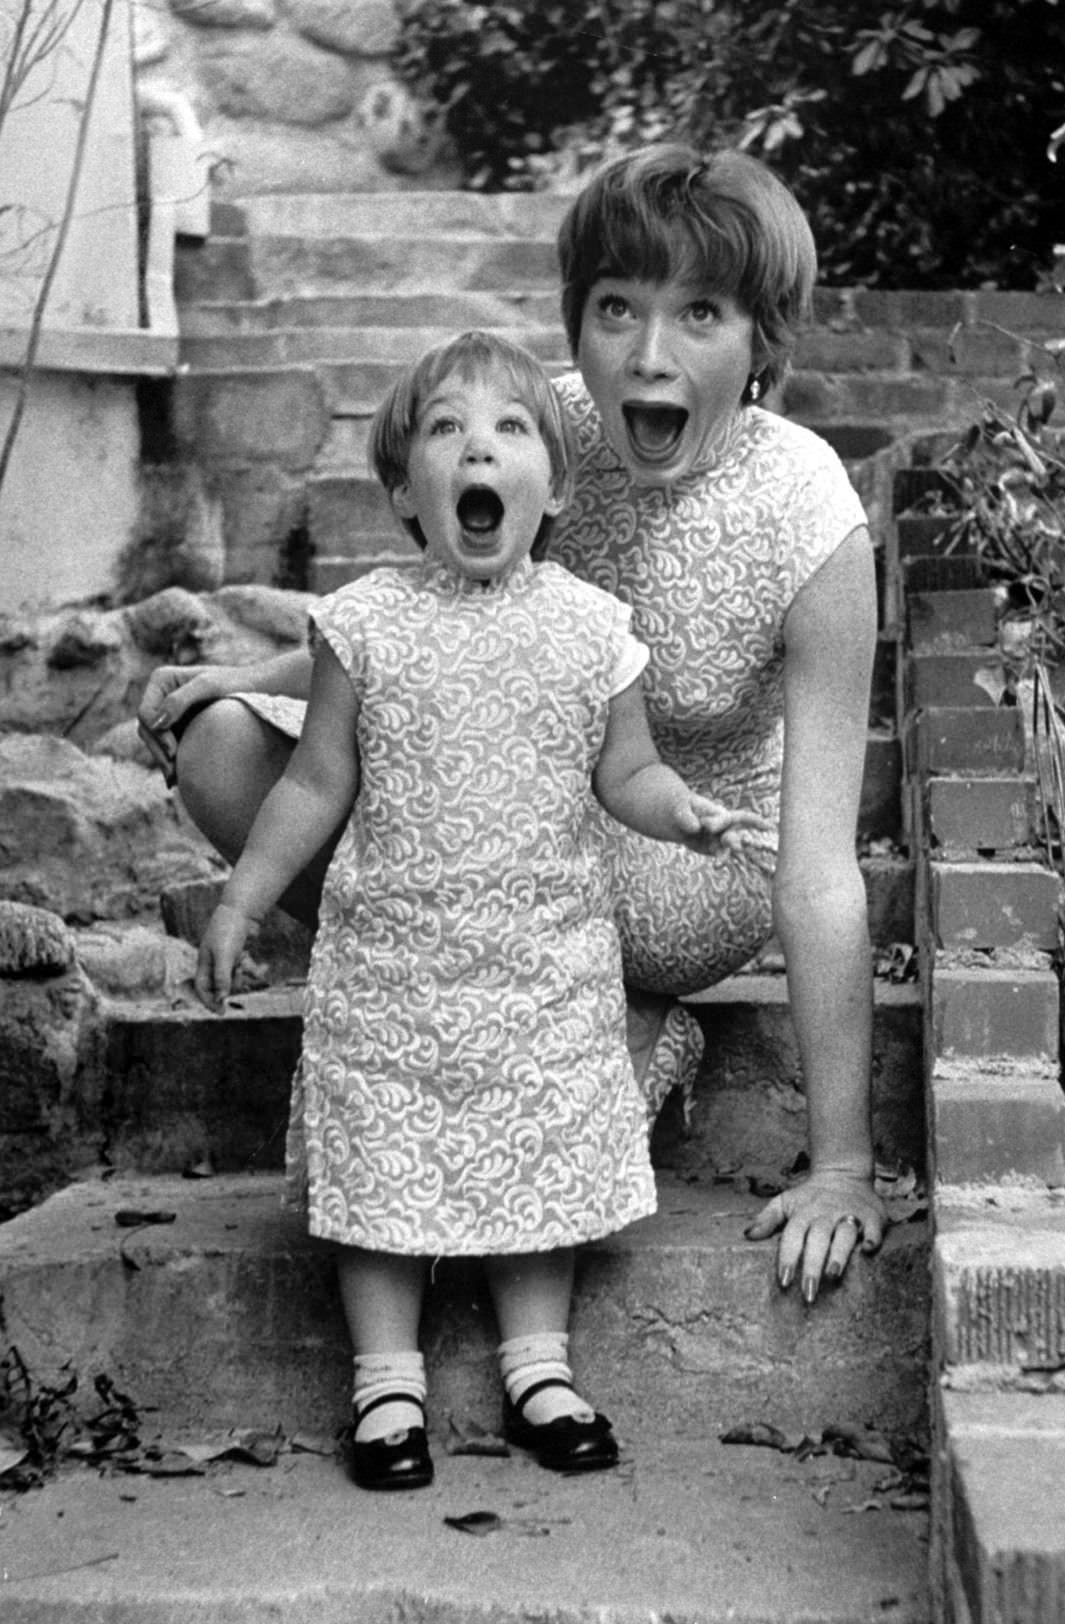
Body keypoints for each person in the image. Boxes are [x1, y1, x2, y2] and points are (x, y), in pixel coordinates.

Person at [138, 142, 888, 1313]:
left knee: (494, 826)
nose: (649, 354)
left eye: (699, 313)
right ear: (574, 318)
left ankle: (615, 1017)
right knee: (228, 747)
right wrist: (253, 670)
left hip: (680, 855)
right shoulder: (546, 430)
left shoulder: (808, 519)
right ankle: (516, 1029)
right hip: (514, 818)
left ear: (761, 344)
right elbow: (424, 614)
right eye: (614, 310)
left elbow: (821, 872)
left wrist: (842, 1163)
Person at [194, 329, 763, 1491]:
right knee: (381, 1160)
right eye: (445, 431)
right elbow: (314, 778)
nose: (478, 449)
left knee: (539, 1157)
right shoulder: (365, 623)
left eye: (509, 431)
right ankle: (385, 1381)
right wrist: (245, 895)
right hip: (393, 964)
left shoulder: (590, 629)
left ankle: (538, 1368)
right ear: (406, 488)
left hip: (539, 961)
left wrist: (681, 814)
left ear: (551, 487)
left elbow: (625, 775)